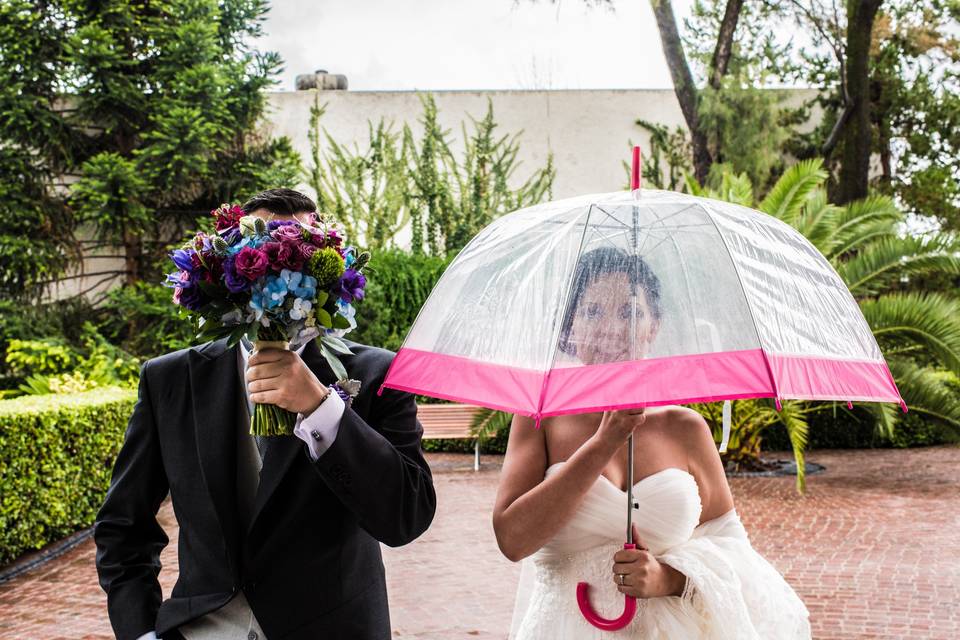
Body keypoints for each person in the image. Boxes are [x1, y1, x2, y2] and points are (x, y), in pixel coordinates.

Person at [94, 188, 437, 640]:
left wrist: (322, 408)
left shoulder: (376, 374)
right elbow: (123, 525)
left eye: (301, 256)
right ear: (228, 268)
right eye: (265, 251)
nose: (282, 268)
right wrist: (140, 631)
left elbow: (406, 518)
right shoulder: (171, 380)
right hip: (203, 628)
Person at [493, 246, 811, 639]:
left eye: (630, 312)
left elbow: (733, 549)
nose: (613, 328)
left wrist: (671, 579)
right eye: (593, 311)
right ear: (571, 325)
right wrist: (602, 445)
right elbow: (512, 539)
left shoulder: (686, 428)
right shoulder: (540, 420)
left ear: (654, 326)